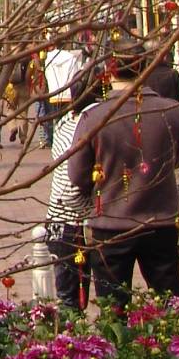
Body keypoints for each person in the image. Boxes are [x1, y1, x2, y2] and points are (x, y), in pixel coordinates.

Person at [68, 37, 179, 305]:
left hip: (111, 223)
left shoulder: (95, 117)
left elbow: (76, 175)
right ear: (145, 66)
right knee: (172, 308)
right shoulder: (172, 111)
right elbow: (178, 159)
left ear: (109, 70)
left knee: (114, 313)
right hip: (161, 221)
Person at [44, 60, 105, 311]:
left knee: (70, 299)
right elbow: (71, 186)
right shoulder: (87, 126)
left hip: (59, 221)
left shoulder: (64, 123)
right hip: (75, 223)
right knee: (76, 300)